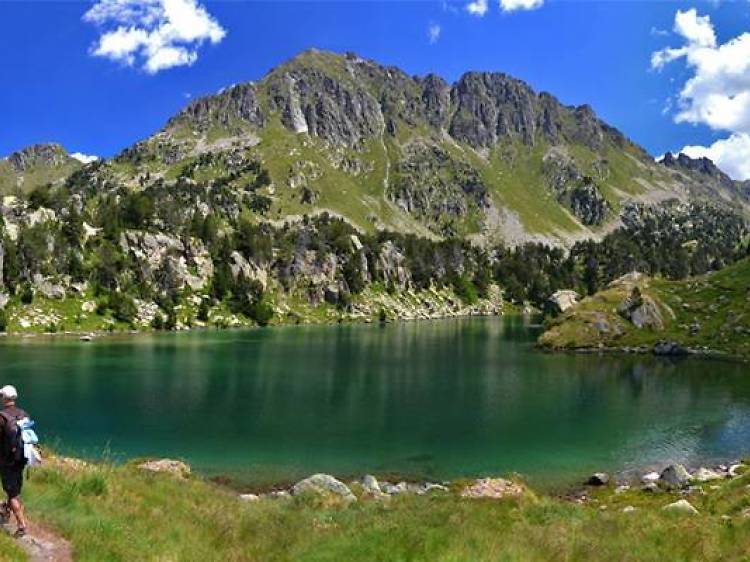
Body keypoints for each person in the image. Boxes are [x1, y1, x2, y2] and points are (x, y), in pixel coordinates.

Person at [0, 385, 28, 537]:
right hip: (21, 459)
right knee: (14, 488)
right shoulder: (23, 414)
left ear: (4, 398)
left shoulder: (2, 417)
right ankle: (5, 509)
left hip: (7, 461)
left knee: (12, 493)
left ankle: (22, 525)